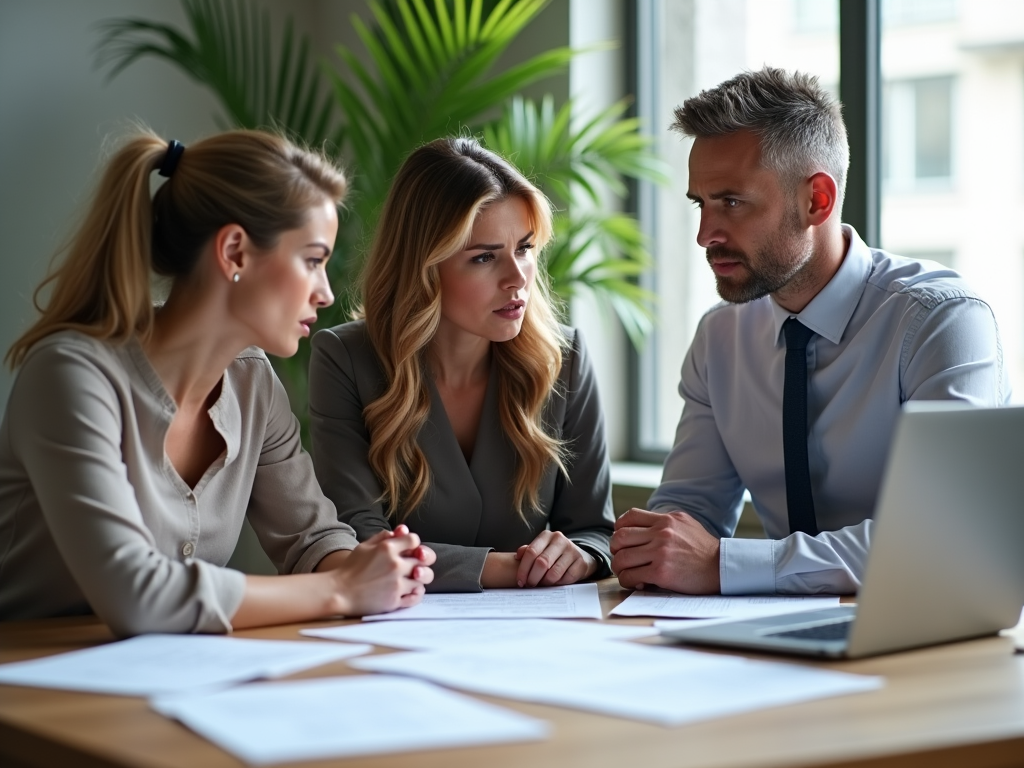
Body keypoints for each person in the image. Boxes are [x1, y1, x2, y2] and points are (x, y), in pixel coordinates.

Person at [0, 129, 435, 636]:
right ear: (234, 252)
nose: (326, 293)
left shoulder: (254, 383)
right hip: (29, 679)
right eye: (313, 261)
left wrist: (372, 567)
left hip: (167, 677)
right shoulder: (72, 377)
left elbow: (309, 538)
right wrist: (341, 589)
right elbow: (136, 595)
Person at [611, 68, 1009, 596]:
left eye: (731, 201)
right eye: (700, 205)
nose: (707, 235)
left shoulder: (942, 321)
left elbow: (944, 538)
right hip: (776, 637)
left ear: (817, 200)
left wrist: (725, 566)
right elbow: (690, 517)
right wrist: (645, 550)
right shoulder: (719, 339)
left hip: (930, 634)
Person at [308, 136, 614, 592]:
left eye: (525, 249)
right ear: (424, 267)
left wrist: (582, 557)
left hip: (540, 639)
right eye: (484, 257)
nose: (517, 278)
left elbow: (594, 530)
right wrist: (512, 568)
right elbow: (359, 543)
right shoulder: (345, 359)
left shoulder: (564, 359)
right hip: (391, 636)